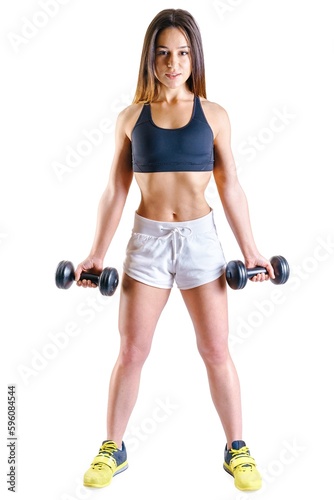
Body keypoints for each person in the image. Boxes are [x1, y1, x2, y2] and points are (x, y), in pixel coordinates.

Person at [75, 8, 275, 492]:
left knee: (215, 349)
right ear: (150, 57)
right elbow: (115, 192)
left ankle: (237, 449)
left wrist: (253, 252)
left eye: (183, 52)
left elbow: (230, 187)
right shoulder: (131, 117)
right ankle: (113, 447)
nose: (173, 62)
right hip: (147, 243)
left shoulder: (215, 115)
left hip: (201, 242)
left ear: (195, 57)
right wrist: (95, 254)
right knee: (132, 351)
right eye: (163, 52)